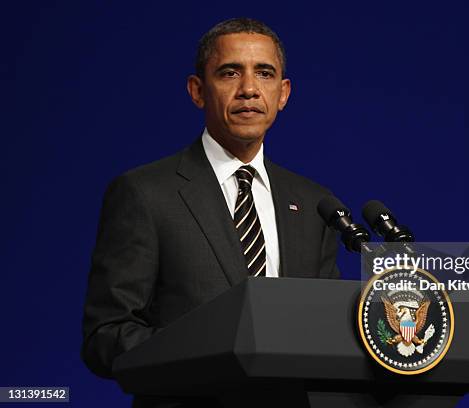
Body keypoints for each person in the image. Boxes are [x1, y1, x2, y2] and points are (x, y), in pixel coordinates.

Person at [81, 17, 340, 406]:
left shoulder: (315, 203)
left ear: (283, 93)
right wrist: (210, 353)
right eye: (230, 73)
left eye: (264, 73)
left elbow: (327, 330)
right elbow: (106, 336)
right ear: (197, 91)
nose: (249, 89)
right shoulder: (144, 193)